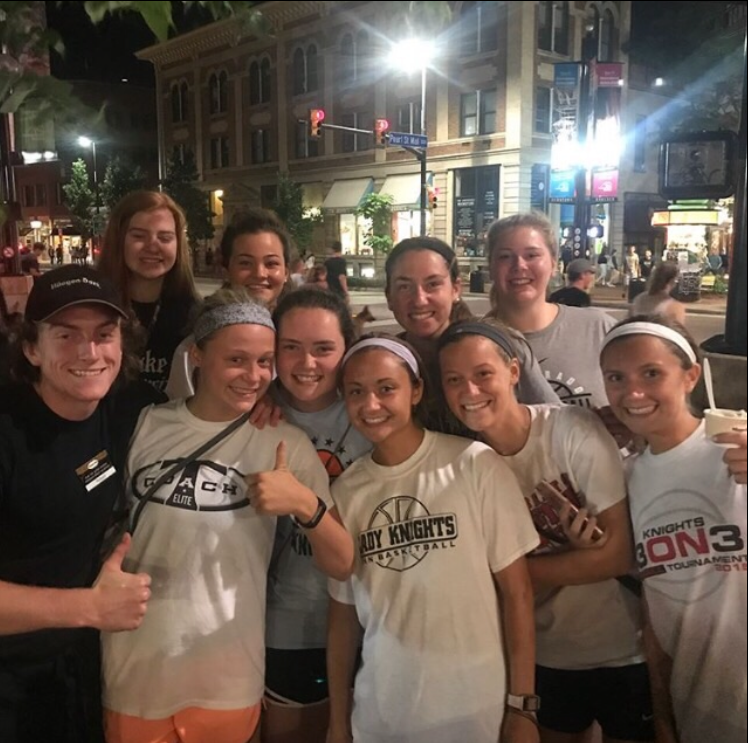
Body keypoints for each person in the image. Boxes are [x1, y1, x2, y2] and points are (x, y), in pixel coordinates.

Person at [101, 289, 354, 743]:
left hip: (229, 675)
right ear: (197, 354)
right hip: (134, 669)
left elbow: (342, 561)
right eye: (236, 359)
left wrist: (303, 505)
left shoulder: (283, 442)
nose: (253, 376)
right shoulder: (146, 424)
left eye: (264, 362)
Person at [438, 321, 653, 743]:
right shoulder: (464, 465)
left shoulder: (570, 429)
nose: (470, 391)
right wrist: (576, 560)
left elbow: (617, 556)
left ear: (513, 372)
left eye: (483, 374)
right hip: (544, 655)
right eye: (453, 380)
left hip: (624, 646)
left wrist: (513, 578)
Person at [327, 334, 540, 743]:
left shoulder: (474, 465)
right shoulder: (347, 491)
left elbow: (518, 594)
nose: (371, 405)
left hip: (476, 712)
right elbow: (341, 618)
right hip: (382, 716)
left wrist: (522, 706)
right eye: (356, 392)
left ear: (417, 390)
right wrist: (338, 722)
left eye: (386, 388)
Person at [0, 265, 160, 743]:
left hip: (83, 672)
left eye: (103, 335)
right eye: (66, 335)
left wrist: (266, 401)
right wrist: (88, 607)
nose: (89, 353)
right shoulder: (8, 432)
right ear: (31, 348)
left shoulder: (124, 406)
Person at [600, 317, 747, 743]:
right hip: (697, 703)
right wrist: (663, 712)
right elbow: (655, 603)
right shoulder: (625, 478)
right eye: (616, 377)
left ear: (691, 376)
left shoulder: (734, 445)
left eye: (651, 373)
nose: (633, 393)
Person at [263, 288, 372, 743]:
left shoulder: (375, 411)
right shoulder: (253, 414)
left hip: (373, 620)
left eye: (324, 348)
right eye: (291, 347)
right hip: (287, 622)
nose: (307, 363)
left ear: (347, 348)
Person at [384, 236, 560, 435]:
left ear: (456, 289)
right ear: (389, 297)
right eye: (404, 287)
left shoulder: (498, 344)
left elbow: (556, 421)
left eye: (433, 284)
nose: (419, 300)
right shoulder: (384, 364)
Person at [485, 213, 616, 410]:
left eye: (532, 255)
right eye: (505, 256)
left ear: (553, 264)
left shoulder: (599, 328)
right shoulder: (474, 342)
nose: (519, 265)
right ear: (491, 267)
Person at [165, 207, 292, 399]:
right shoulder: (199, 344)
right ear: (226, 269)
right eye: (245, 263)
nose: (259, 273)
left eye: (271, 263)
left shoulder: (299, 339)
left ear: (286, 273)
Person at [97, 190, 199, 393]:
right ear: (119, 240)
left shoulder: (195, 315)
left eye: (165, 237)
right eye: (139, 236)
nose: (153, 246)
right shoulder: (93, 307)